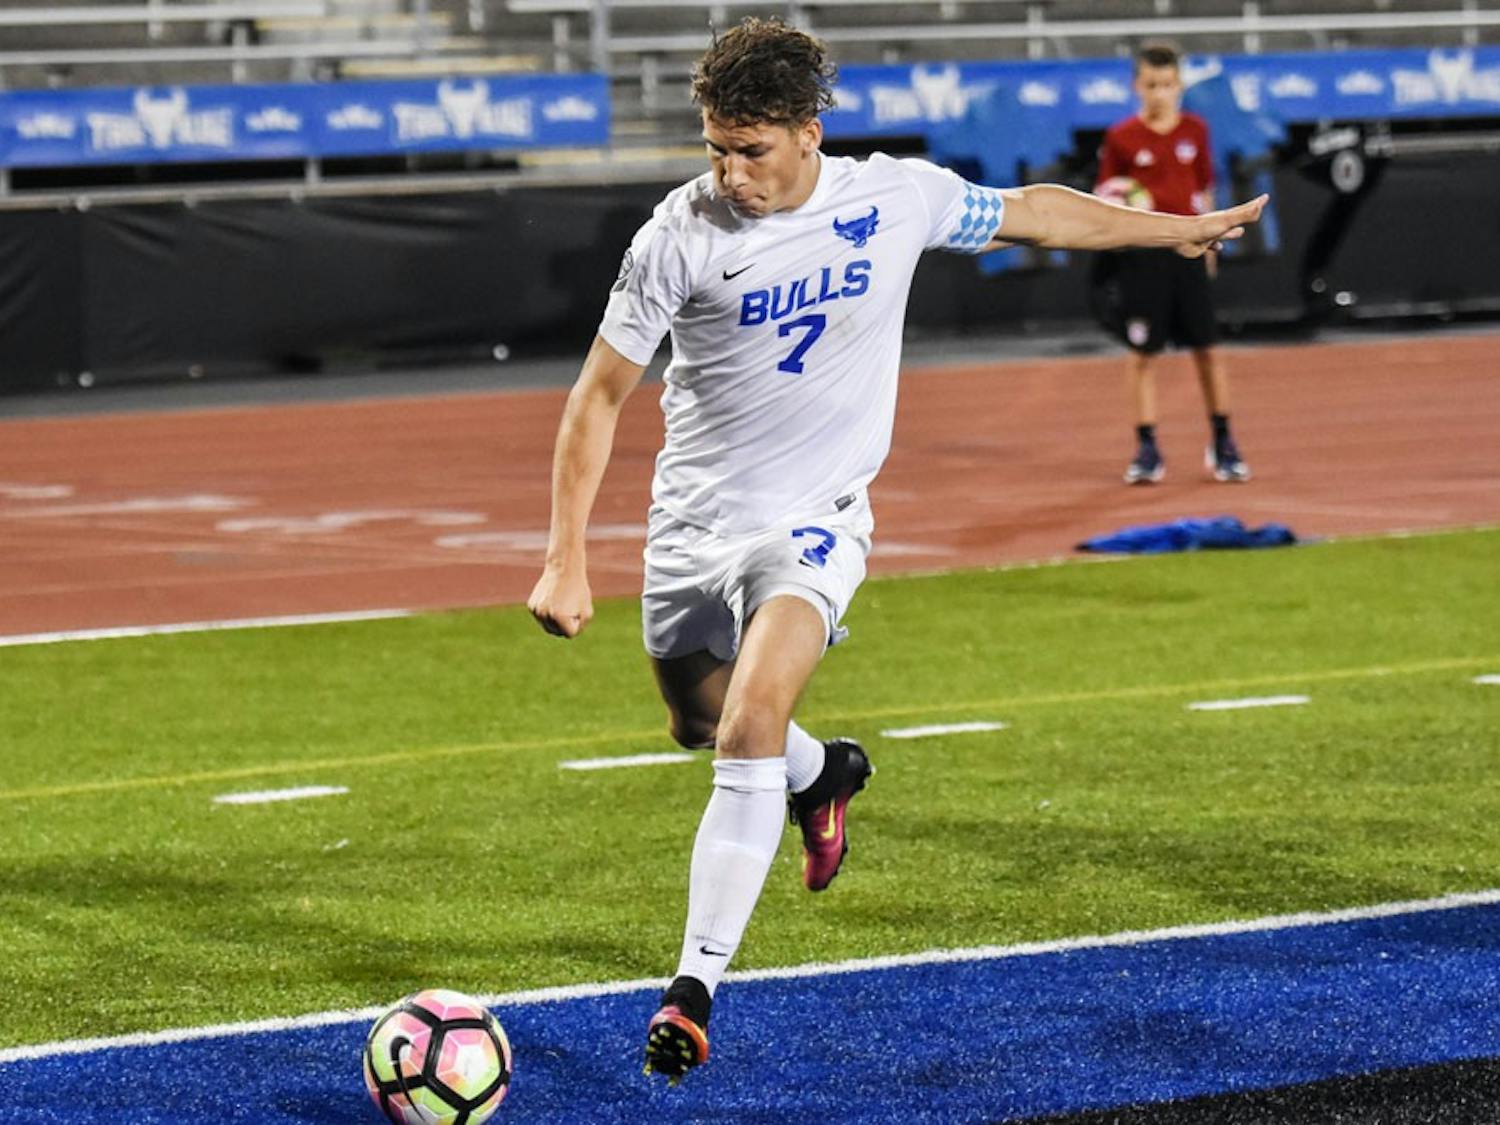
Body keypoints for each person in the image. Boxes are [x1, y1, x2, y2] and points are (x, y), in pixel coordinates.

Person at [527, 17, 1265, 1085]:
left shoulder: (896, 196)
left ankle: (692, 989)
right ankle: (825, 777)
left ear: (810, 133)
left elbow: (1031, 215)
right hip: (693, 525)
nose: (731, 173)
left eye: (753, 151)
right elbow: (598, 397)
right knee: (695, 719)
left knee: (745, 720)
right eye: (715, 150)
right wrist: (565, 556)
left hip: (818, 519)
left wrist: (1171, 232)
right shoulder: (674, 237)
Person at [1096, 42, 1252, 485]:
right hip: (1144, 257)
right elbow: (1107, 195)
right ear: (1136, 86)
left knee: (1207, 348)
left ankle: (1223, 440)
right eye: (1151, 85)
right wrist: (1125, 205)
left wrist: (1212, 244)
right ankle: (1147, 447)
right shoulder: (1121, 137)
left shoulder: (1196, 131)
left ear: (1179, 85)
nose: (1160, 93)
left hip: (1190, 252)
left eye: (1167, 84)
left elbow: (1204, 192)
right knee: (1143, 353)